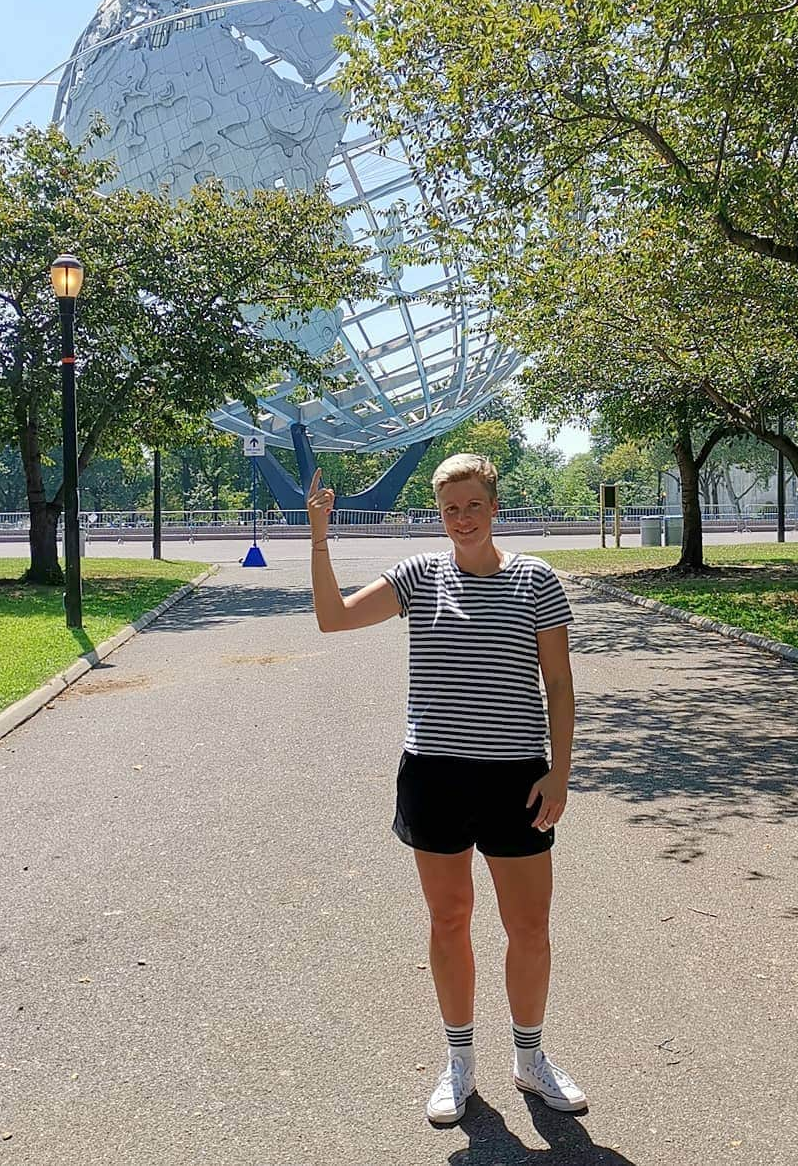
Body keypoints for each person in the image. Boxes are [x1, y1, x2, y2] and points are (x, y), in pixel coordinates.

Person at [306, 452, 586, 1125]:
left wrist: (561, 771)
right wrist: (319, 537)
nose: (461, 519)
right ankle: (459, 1065)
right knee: (449, 919)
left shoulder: (536, 582)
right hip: (434, 773)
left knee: (530, 928)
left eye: (472, 506)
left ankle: (530, 1060)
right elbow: (334, 619)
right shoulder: (417, 578)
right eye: (449, 508)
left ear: (495, 508)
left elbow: (559, 686)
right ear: (440, 514)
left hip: (517, 778)